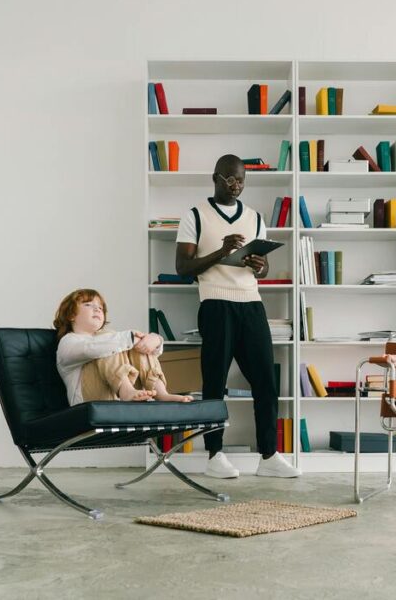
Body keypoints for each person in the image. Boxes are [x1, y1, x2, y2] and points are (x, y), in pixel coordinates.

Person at [175, 154, 300, 479]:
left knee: (265, 381)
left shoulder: (255, 217)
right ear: (216, 178)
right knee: (214, 382)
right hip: (216, 304)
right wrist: (220, 251)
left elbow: (262, 264)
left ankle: (269, 455)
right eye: (230, 179)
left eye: (242, 180)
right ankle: (214, 455)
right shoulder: (195, 216)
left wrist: (261, 265)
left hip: (252, 304)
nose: (236, 185)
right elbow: (183, 268)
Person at [54, 288, 192, 405]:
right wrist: (134, 338)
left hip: (118, 395)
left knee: (131, 345)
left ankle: (161, 393)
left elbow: (140, 347)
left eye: (100, 308)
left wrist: (155, 339)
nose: (97, 308)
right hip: (88, 400)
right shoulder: (68, 342)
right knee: (109, 340)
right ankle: (126, 390)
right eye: (88, 305)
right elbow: (92, 348)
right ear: (71, 315)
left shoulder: (111, 338)